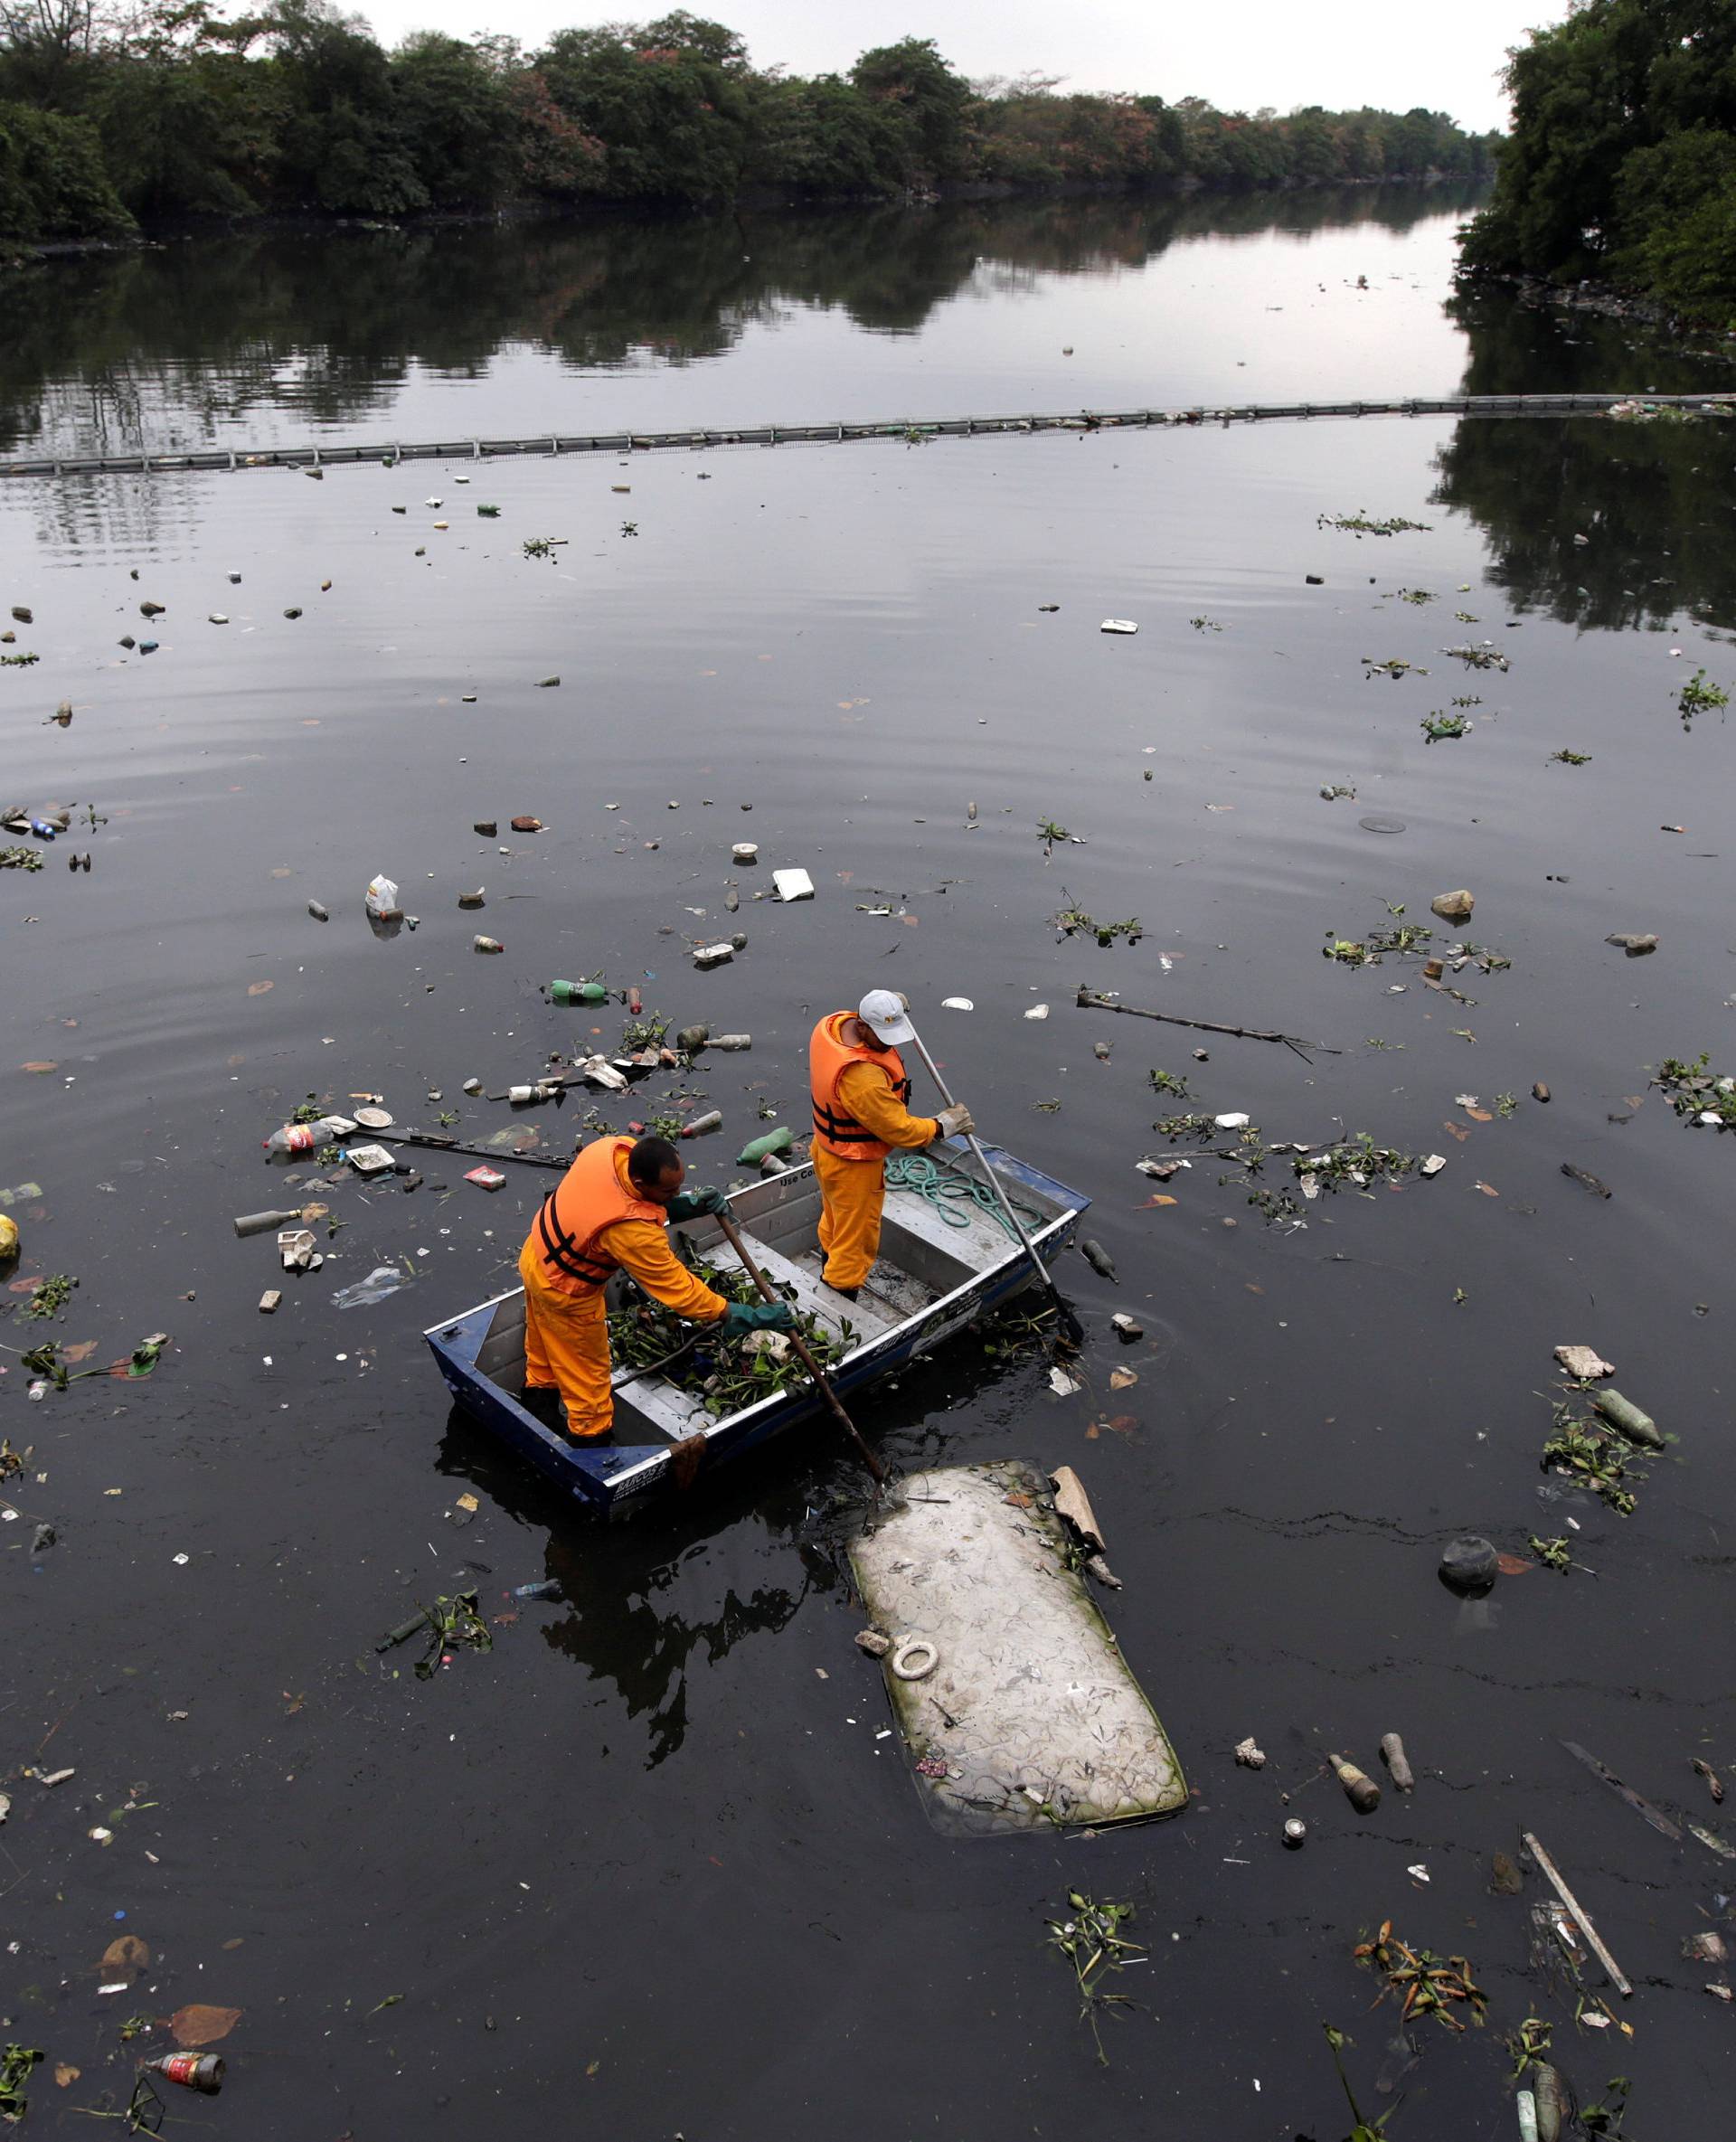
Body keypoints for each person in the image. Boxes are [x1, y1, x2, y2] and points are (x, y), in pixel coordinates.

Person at [517, 1132, 794, 1443]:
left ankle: (537, 1407)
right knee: (589, 1383)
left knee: (543, 1349)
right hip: (565, 1292)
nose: (676, 1192)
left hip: (536, 1256)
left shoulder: (610, 1151)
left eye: (679, 1185)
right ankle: (590, 1442)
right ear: (639, 1182)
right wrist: (741, 1314)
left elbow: (635, 1202)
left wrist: (688, 1205)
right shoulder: (630, 1232)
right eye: (669, 1190)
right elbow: (680, 1291)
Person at [808, 990, 974, 1300]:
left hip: (826, 1150)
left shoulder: (831, 1025)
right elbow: (900, 1131)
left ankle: (830, 1266)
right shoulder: (862, 1078)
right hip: (853, 1167)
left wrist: (890, 1005)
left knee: (835, 1222)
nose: (889, 1043)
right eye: (882, 1034)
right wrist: (943, 1125)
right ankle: (837, 1300)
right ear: (862, 1027)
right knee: (856, 1243)